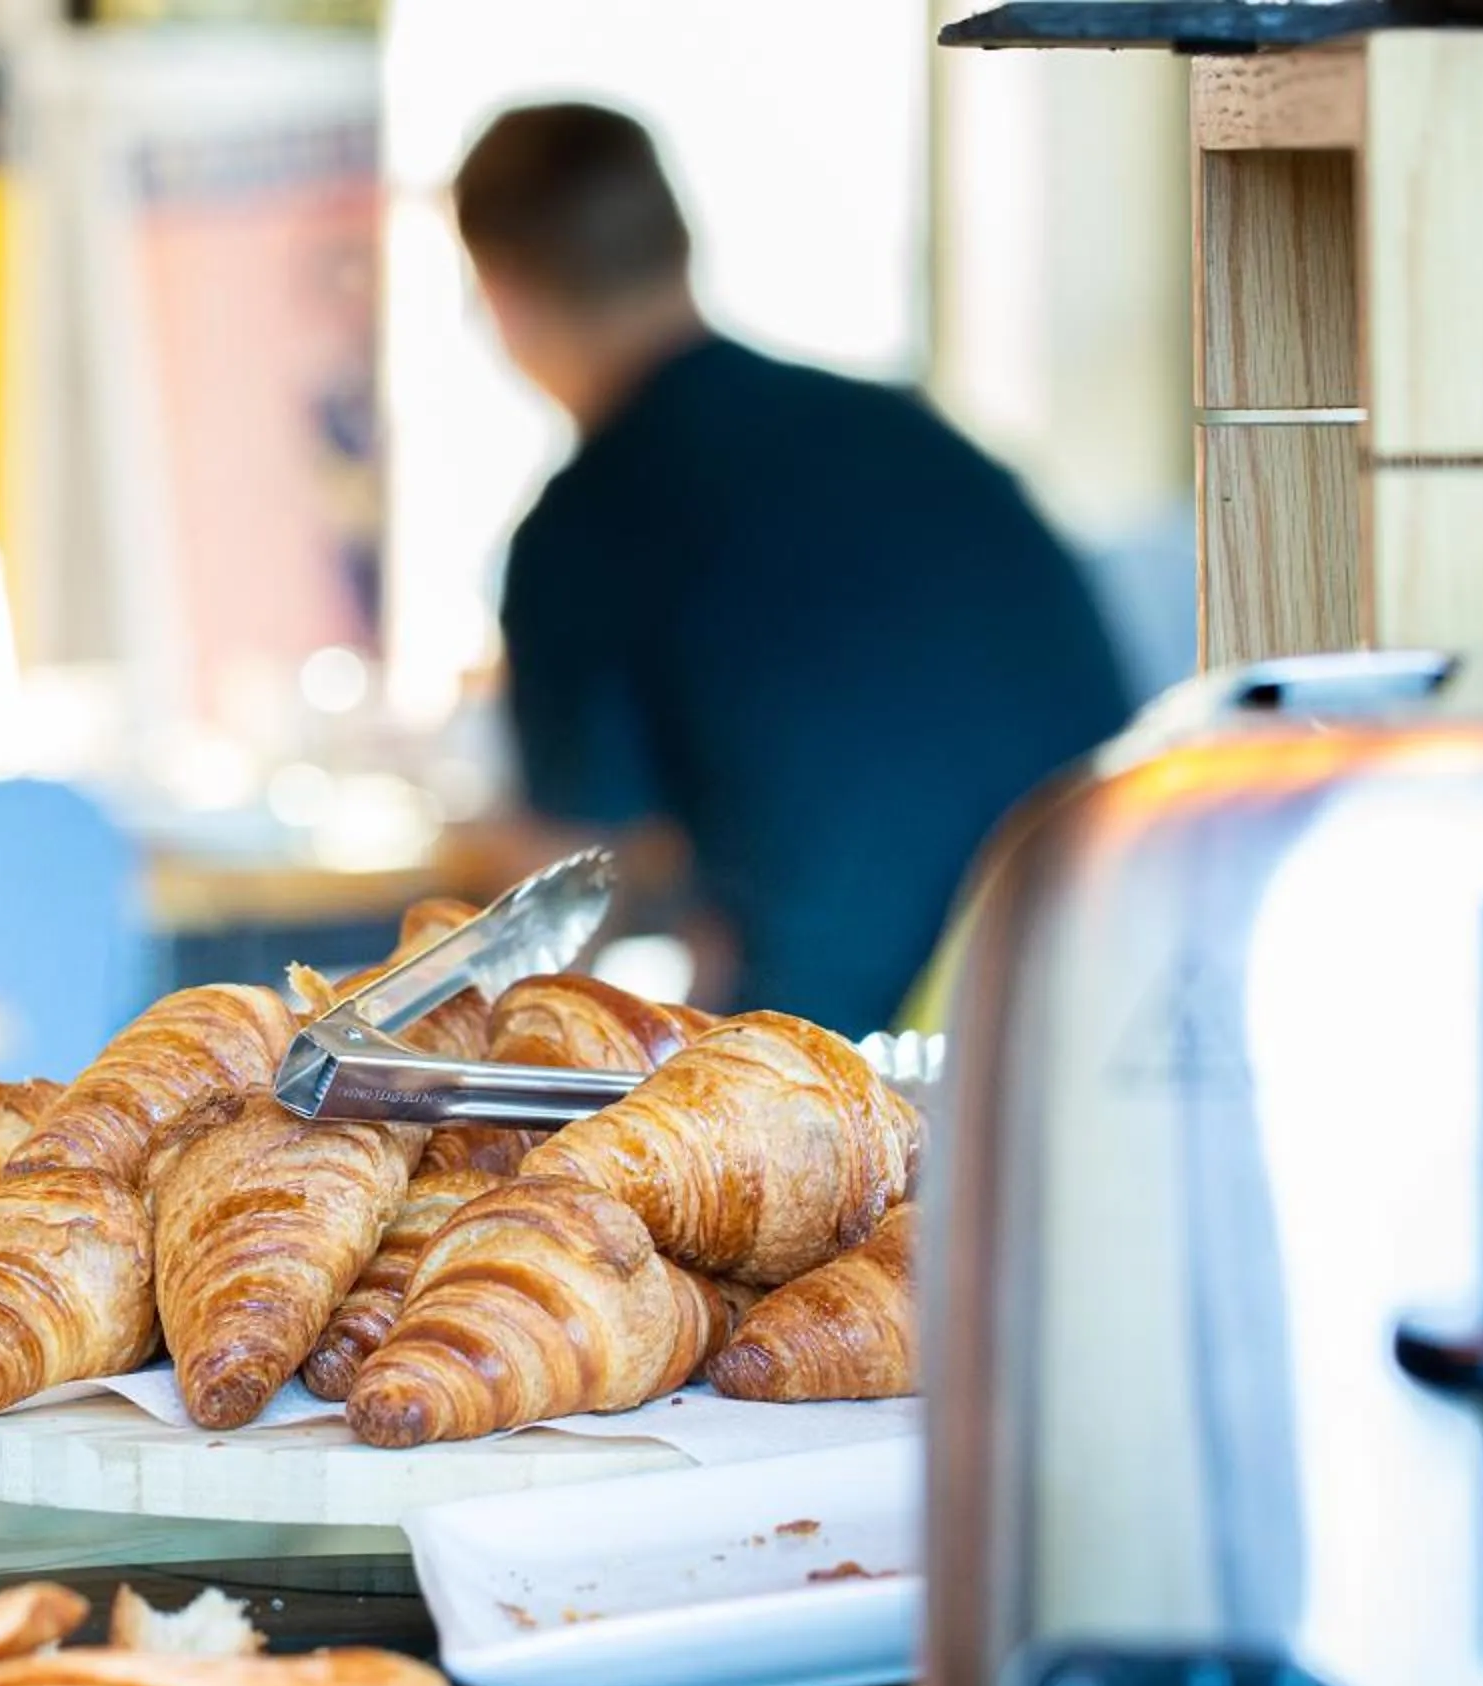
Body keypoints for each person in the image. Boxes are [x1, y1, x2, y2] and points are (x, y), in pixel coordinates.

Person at [455, 102, 1131, 1031]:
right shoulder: (903, 429)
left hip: (860, 1044)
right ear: (680, 243)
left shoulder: (590, 517)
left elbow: (560, 907)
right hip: (1100, 970)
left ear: (502, 299)